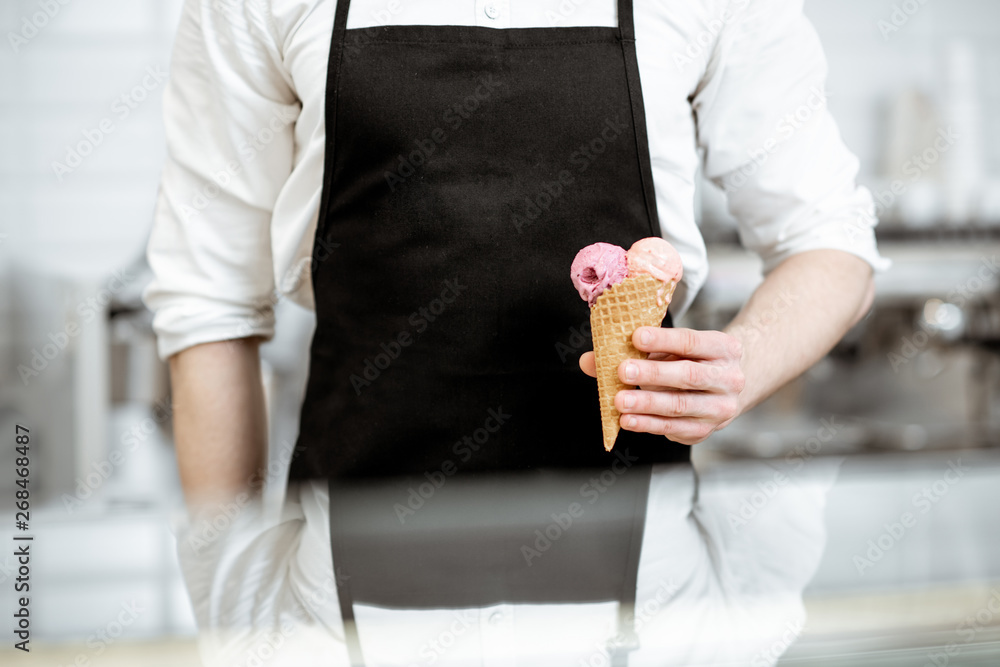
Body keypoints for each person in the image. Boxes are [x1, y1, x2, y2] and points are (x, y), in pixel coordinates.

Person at [145, 0, 888, 665]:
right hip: (338, 616)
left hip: (654, 607)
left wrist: (743, 363)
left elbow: (829, 238)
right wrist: (235, 615)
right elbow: (209, 306)